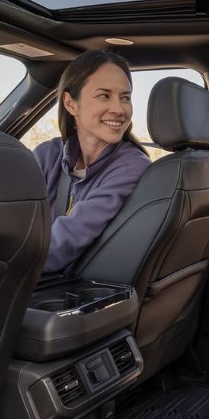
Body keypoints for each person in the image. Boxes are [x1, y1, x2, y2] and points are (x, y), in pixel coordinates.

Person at [34, 50, 151, 273]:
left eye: (125, 97)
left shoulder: (132, 167)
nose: (119, 109)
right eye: (104, 96)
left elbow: (68, 238)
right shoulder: (46, 155)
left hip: (67, 292)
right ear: (70, 104)